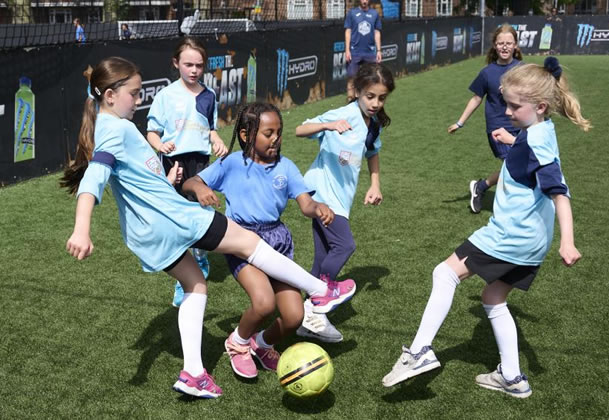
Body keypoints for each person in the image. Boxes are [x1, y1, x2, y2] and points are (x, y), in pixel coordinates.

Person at [60, 56, 356, 399]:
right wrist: (81, 229)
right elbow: (95, 177)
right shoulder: (115, 128)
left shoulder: (108, 125)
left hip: (147, 233)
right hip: (173, 219)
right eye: (135, 93)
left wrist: (163, 177)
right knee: (247, 241)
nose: (139, 100)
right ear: (110, 95)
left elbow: (133, 175)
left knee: (195, 284)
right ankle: (320, 291)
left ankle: (194, 373)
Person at [383, 57, 591, 398]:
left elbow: (560, 193)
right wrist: (513, 141)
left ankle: (419, 352)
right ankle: (512, 377)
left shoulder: (537, 142)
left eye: (513, 106)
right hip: (532, 241)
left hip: (511, 235)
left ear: (539, 106)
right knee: (493, 298)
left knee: (444, 273)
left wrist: (568, 242)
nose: (507, 111)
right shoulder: (539, 131)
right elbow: (530, 163)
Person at [182, 102, 339, 378]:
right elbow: (190, 183)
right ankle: (238, 343)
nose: (276, 139)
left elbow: (305, 204)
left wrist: (318, 208)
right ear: (246, 135)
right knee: (264, 303)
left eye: (279, 132)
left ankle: (262, 343)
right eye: (269, 133)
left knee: (294, 317)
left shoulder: (286, 167)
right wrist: (200, 188)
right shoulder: (231, 163)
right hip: (241, 241)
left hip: (277, 241)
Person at [295, 62, 394, 343]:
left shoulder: (373, 124)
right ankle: (320, 297)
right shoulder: (342, 115)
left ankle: (307, 318)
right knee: (345, 245)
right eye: (370, 96)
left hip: (341, 198)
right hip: (320, 193)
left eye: (381, 97)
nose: (375, 103)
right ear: (357, 91)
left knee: (321, 257)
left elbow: (372, 152)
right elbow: (300, 130)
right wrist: (328, 125)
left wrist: (375, 184)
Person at [146, 37, 228, 307]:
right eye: (188, 64)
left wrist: (216, 140)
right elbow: (151, 133)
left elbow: (210, 128)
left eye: (199, 65)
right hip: (174, 164)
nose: (194, 70)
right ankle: (184, 280)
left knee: (200, 214)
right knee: (176, 218)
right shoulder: (165, 96)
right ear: (176, 64)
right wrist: (162, 145)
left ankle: (200, 263)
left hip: (200, 162)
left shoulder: (209, 95)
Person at [447, 23, 523, 214]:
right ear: (495, 46)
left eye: (509, 43)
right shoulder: (487, 72)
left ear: (515, 45)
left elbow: (532, 94)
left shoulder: (523, 69)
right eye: (501, 43)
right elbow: (476, 98)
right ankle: (508, 203)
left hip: (520, 125)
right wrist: (460, 122)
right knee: (513, 164)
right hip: (497, 126)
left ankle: (481, 187)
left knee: (517, 165)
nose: (505, 46)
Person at [344, 0, 382, 102]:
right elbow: (348, 31)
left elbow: (377, 32)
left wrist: (378, 50)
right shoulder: (352, 13)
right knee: (352, 78)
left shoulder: (374, 14)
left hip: (369, 53)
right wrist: (347, 50)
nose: (364, 1)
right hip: (354, 52)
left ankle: (369, 104)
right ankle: (350, 102)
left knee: (372, 79)